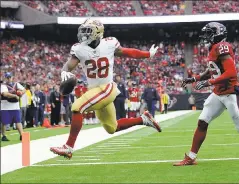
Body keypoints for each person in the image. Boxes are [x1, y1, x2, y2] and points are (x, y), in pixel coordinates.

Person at [50, 18, 161, 159]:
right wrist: (64, 73)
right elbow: (68, 66)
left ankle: (68, 147)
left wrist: (148, 54)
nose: (83, 34)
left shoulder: (108, 44)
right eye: (83, 31)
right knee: (111, 128)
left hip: (107, 88)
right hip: (94, 91)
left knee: (77, 107)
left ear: (97, 33)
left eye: (87, 31)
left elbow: (129, 52)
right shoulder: (79, 49)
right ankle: (143, 119)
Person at [174, 22, 239, 166]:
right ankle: (191, 157)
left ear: (217, 34)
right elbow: (213, 70)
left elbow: (231, 72)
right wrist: (195, 78)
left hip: (230, 93)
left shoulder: (222, 47)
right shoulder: (214, 48)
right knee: (202, 122)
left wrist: (210, 82)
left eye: (209, 33)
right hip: (218, 93)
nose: (206, 36)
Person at [0, 72, 25, 141]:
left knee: (18, 121)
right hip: (5, 107)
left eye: (10, 77)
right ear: (5, 78)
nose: (9, 79)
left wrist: (21, 93)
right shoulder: (3, 86)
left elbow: (24, 89)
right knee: (4, 122)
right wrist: (15, 95)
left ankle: (22, 135)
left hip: (15, 106)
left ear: (12, 77)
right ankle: (4, 136)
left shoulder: (16, 84)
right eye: (7, 77)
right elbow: (4, 94)